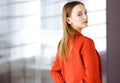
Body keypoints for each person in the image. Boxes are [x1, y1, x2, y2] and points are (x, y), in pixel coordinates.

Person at [50, 1, 102, 83]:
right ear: (68, 20)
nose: (85, 17)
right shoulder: (86, 42)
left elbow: (54, 71)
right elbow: (92, 78)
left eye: (85, 13)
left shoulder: (63, 43)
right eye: (79, 14)